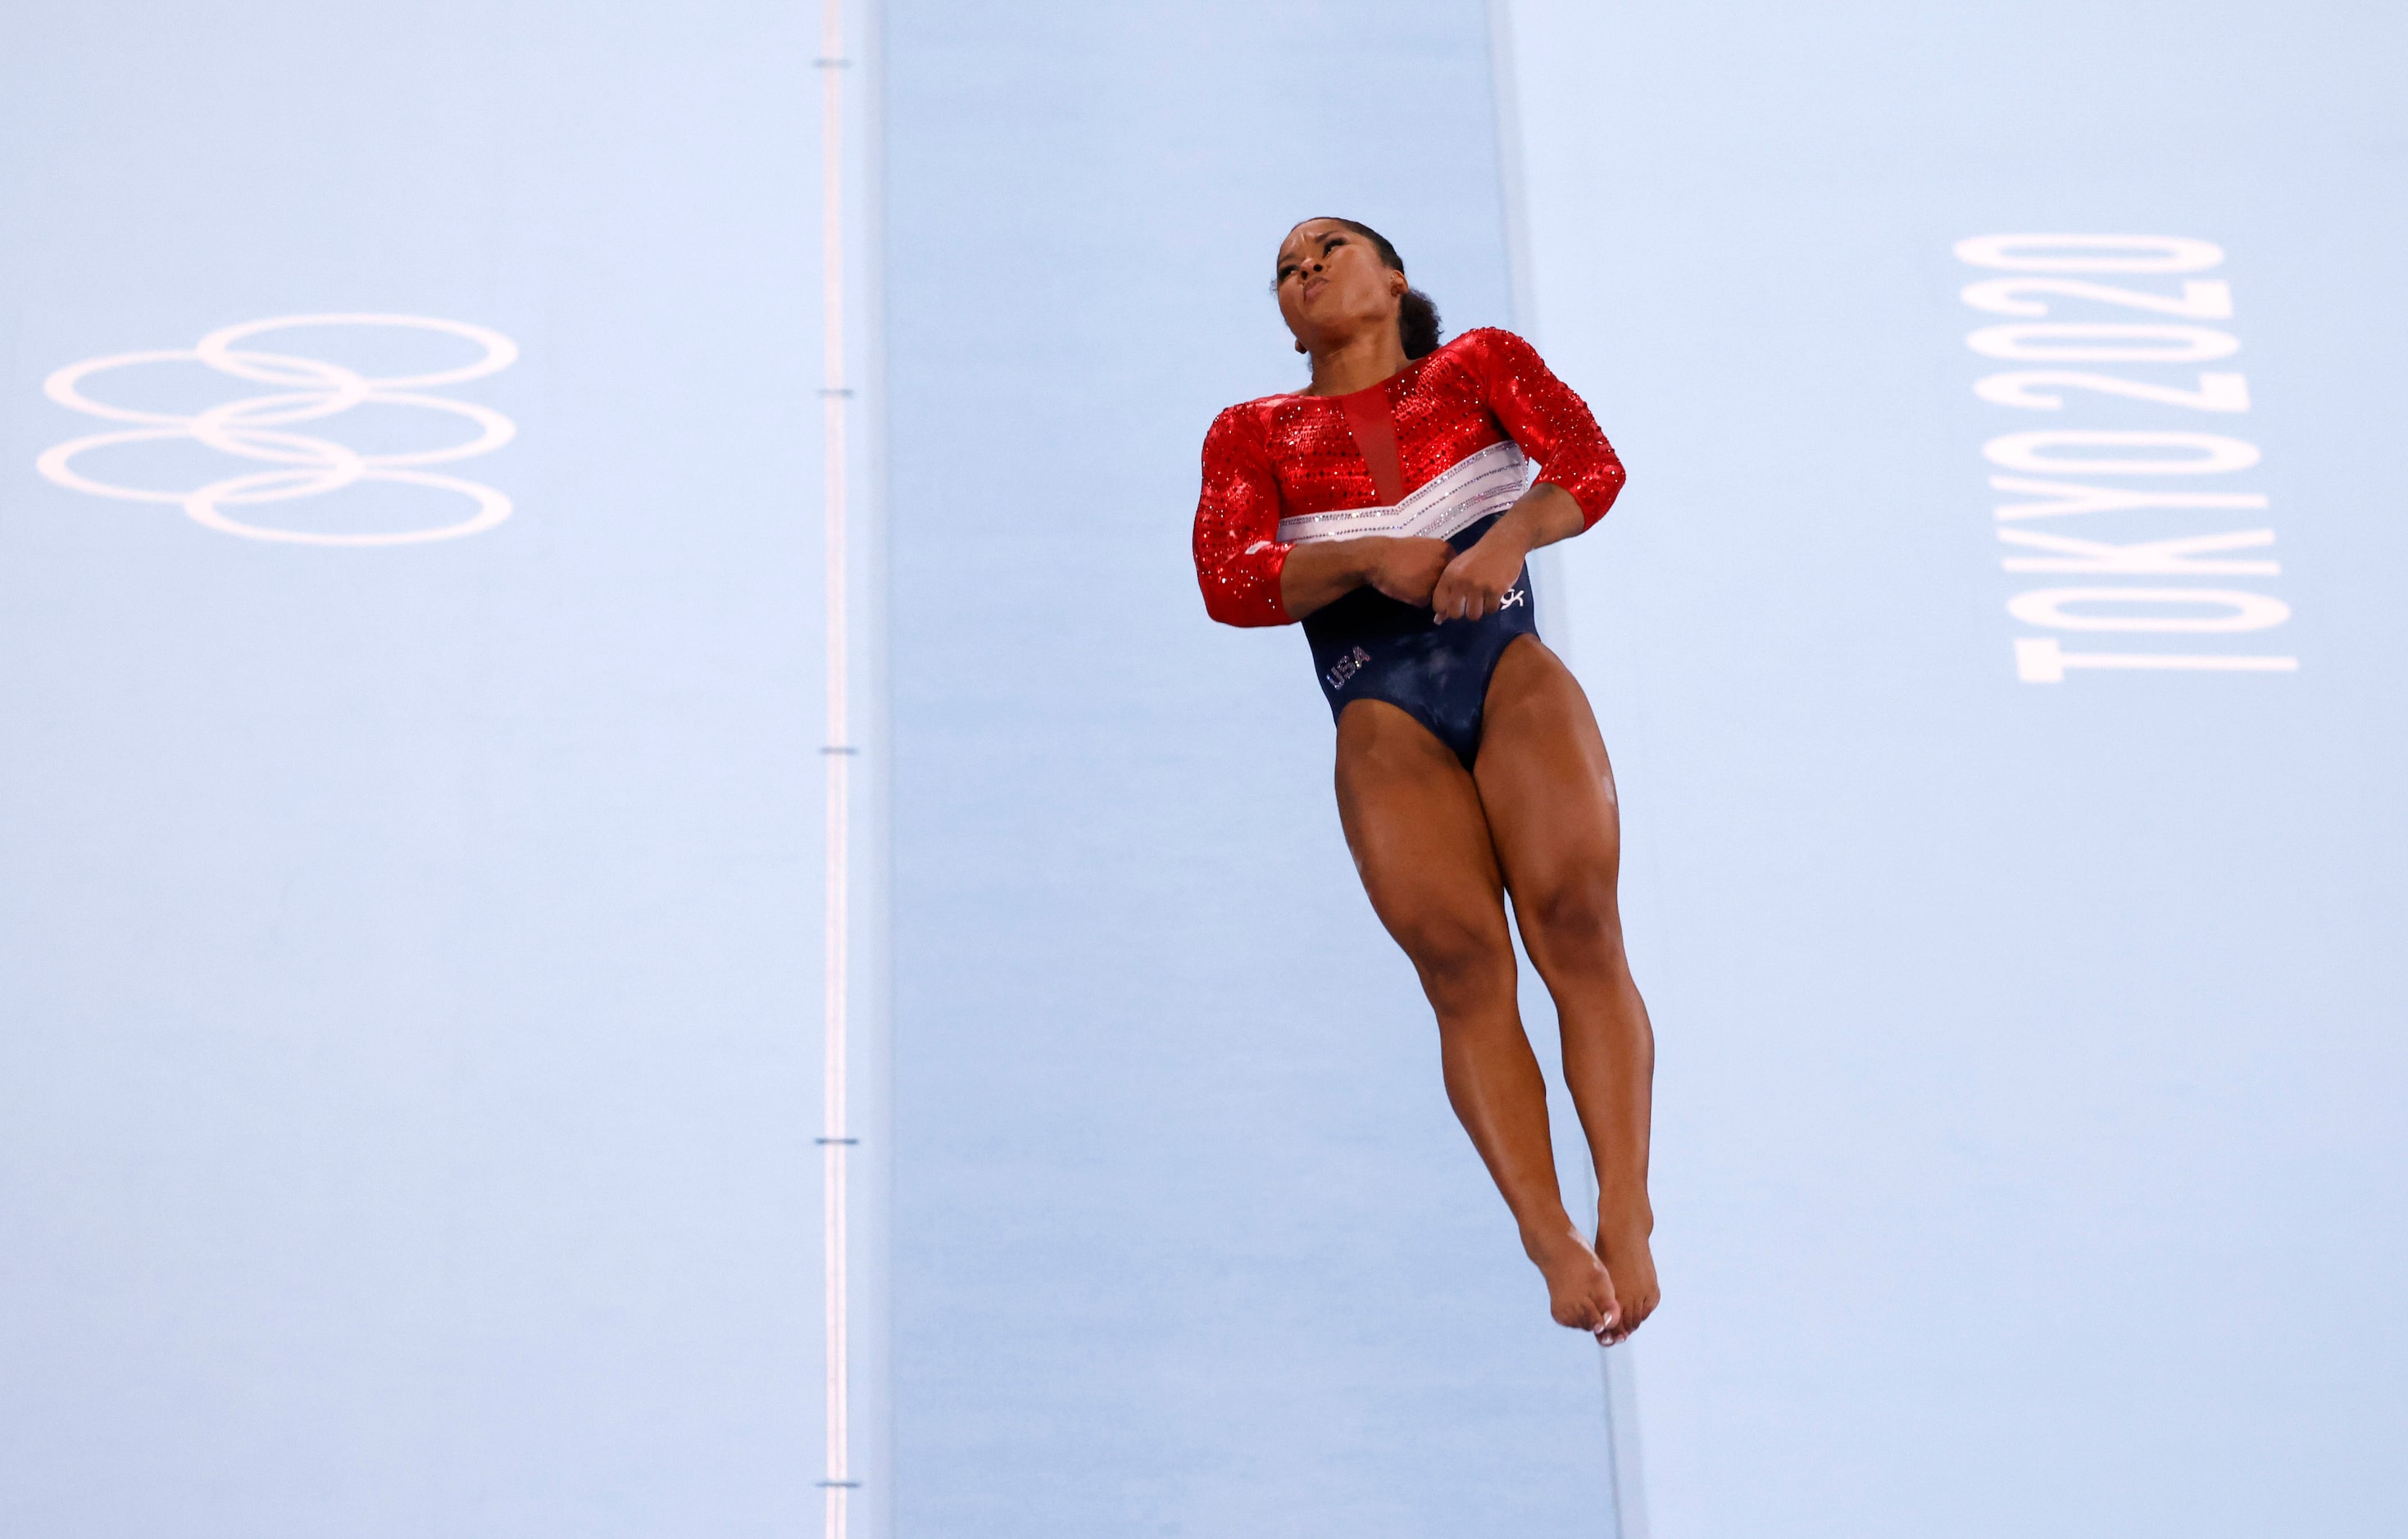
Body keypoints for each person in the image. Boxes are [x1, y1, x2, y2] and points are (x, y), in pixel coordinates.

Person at [1192, 217, 1658, 1345]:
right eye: (1285, 269)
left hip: (1505, 668)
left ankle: (1627, 1212)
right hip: (1380, 705)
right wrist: (1358, 558)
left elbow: (1589, 468)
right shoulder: (1254, 430)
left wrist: (1502, 544)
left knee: (1579, 925)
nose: (1303, 269)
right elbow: (1230, 577)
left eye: (1329, 249)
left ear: (1394, 279)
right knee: (1460, 966)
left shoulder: (1479, 365)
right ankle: (1547, 1230)